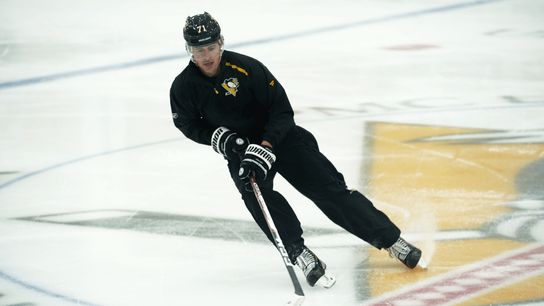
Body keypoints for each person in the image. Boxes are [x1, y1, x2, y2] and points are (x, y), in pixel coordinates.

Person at [169, 12, 422, 288]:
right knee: (257, 198)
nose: (206, 55)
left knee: (330, 191)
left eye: (210, 47)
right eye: (198, 49)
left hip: (283, 141)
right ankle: (299, 252)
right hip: (240, 152)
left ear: (220, 43)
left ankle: (391, 240)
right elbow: (188, 124)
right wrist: (221, 138)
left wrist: (266, 146)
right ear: (189, 50)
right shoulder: (183, 87)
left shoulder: (247, 68)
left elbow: (281, 111)